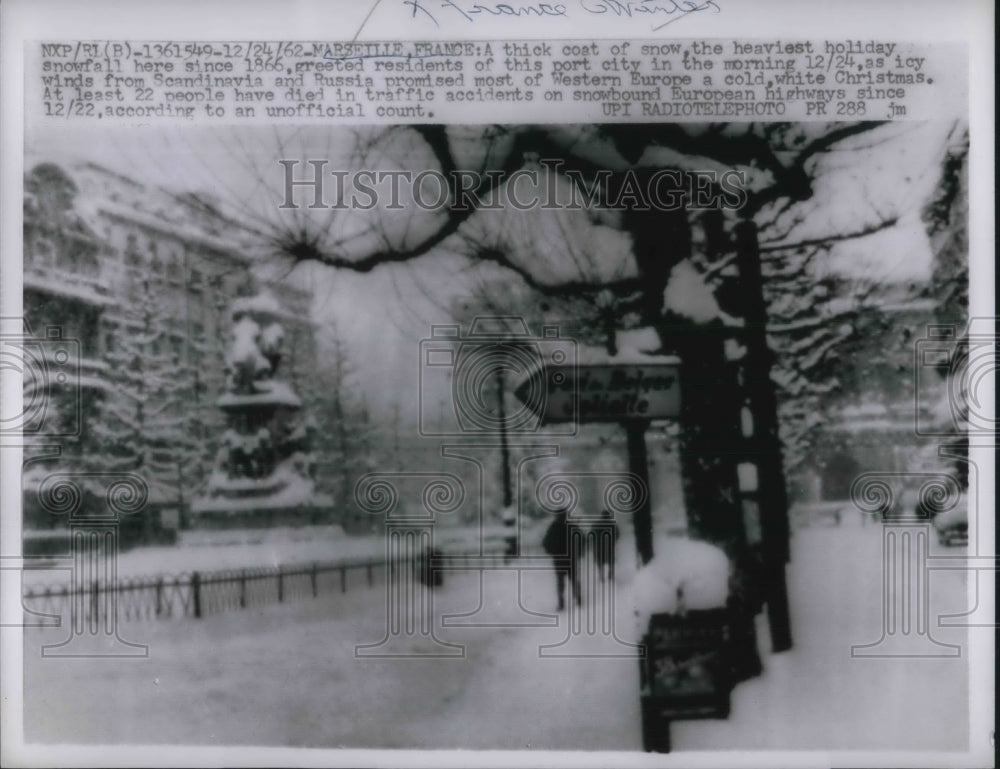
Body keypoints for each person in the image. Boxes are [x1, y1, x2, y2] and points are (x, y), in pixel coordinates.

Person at [542, 510, 580, 610]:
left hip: (559, 559)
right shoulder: (572, 526)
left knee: (560, 582)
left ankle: (561, 603)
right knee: (574, 579)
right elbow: (581, 540)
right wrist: (578, 553)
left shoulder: (553, 527)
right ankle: (578, 598)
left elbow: (546, 543)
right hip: (571, 558)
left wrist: (552, 552)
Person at [594, 508, 620, 583]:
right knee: (610, 560)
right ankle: (610, 574)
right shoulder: (612, 524)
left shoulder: (597, 524)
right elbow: (617, 534)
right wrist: (614, 540)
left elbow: (593, 534)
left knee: (600, 561)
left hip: (600, 546)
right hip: (609, 546)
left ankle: (601, 575)